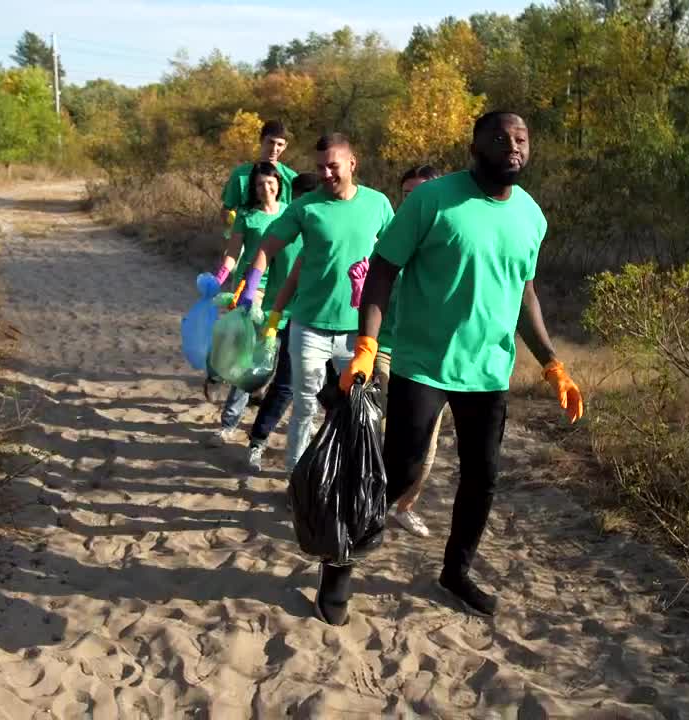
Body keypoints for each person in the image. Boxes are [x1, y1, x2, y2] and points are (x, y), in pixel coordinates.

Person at [316, 111, 585, 625]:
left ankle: (456, 572)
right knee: (400, 473)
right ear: (475, 147)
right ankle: (339, 563)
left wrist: (552, 363)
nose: (513, 146)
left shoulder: (532, 215)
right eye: (501, 138)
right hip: (424, 363)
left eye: (522, 139)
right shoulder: (431, 201)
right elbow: (382, 270)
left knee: (483, 477)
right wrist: (368, 345)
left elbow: (524, 293)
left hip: (488, 371)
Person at [235, 133, 395, 475]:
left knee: (356, 408)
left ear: (352, 164)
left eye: (333, 166)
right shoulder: (304, 207)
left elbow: (397, 256)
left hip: (358, 330)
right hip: (309, 327)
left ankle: (349, 477)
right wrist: (249, 289)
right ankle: (298, 478)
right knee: (305, 404)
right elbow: (267, 247)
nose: (325, 174)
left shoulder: (378, 204)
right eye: (320, 167)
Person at [232, 172, 320, 469]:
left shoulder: (328, 232)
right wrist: (249, 292)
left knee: (325, 394)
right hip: (282, 317)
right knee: (282, 385)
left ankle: (317, 453)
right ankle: (257, 440)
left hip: (325, 322)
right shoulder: (282, 228)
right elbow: (261, 260)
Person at [372, 164, 442, 537]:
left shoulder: (447, 241)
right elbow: (369, 292)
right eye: (407, 194)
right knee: (386, 428)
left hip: (431, 356)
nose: (413, 201)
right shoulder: (389, 238)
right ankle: (371, 499)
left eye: (422, 193)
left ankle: (404, 505)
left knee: (426, 439)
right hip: (385, 347)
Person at [207, 162, 289, 446]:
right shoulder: (247, 216)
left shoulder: (292, 212)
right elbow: (232, 254)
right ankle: (229, 422)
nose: (266, 188)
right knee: (250, 358)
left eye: (271, 182)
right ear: (252, 188)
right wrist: (218, 279)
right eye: (259, 184)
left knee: (275, 359)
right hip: (250, 289)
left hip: (283, 292)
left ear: (279, 183)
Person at [219, 120, 298, 230]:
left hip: (280, 240)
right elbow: (226, 209)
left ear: (285, 146)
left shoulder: (291, 178)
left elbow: (297, 215)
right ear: (261, 140)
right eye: (271, 142)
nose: (274, 149)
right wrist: (234, 228)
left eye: (279, 144)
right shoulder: (241, 175)